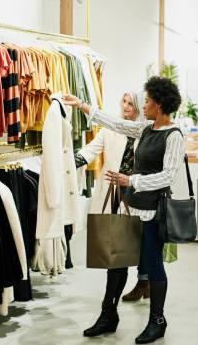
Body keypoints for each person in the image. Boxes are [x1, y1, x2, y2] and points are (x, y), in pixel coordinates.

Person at [63, 76, 185, 344]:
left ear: (161, 104)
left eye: (148, 100)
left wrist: (132, 180)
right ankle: (108, 316)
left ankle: (157, 321)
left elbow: (169, 175)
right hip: (130, 207)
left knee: (153, 267)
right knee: (116, 262)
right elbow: (117, 124)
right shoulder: (146, 128)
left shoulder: (174, 135)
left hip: (152, 211)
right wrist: (83, 105)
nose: (144, 104)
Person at [72, 91, 150, 339]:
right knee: (116, 258)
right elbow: (90, 151)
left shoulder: (145, 132)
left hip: (137, 199)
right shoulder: (110, 130)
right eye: (123, 101)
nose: (125, 106)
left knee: (123, 258)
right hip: (113, 198)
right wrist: (63, 162)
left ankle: (113, 312)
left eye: (131, 103)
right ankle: (109, 312)